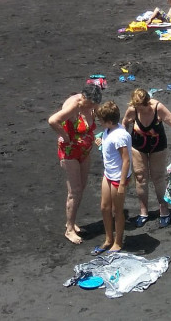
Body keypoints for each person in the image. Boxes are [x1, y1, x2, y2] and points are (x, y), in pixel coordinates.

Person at [122, 88, 171, 228]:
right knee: (140, 177)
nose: (140, 110)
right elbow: (125, 123)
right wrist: (123, 140)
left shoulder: (158, 107)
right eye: (137, 107)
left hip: (158, 146)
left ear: (147, 103)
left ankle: (163, 207)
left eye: (142, 107)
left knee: (158, 177)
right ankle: (143, 210)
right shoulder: (133, 109)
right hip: (138, 146)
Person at [49, 83, 102, 244]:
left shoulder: (93, 105)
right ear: (84, 97)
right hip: (70, 152)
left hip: (84, 152)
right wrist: (64, 135)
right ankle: (69, 229)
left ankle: (71, 221)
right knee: (74, 190)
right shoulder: (74, 106)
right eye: (91, 103)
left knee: (82, 187)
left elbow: (94, 122)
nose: (93, 107)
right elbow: (53, 120)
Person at [92, 101, 131, 255]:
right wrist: (101, 142)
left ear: (108, 121)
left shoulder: (120, 136)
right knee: (104, 208)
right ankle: (109, 239)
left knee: (117, 210)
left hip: (118, 177)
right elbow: (110, 147)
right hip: (108, 174)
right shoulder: (109, 131)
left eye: (101, 120)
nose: (99, 123)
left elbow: (126, 160)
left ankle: (118, 241)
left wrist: (122, 184)